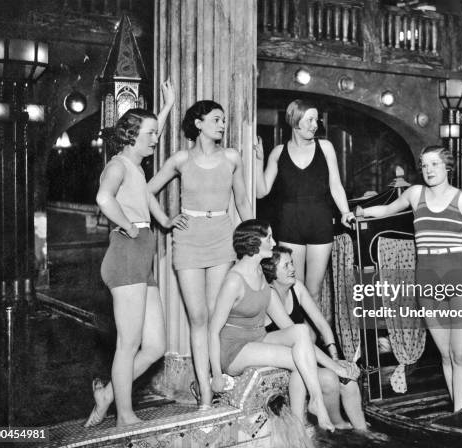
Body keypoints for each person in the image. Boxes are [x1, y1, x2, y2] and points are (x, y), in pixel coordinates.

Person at [356, 145, 462, 412]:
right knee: (446, 354)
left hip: (459, 273)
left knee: (460, 354)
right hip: (427, 277)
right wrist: (360, 212)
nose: (429, 170)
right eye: (424, 165)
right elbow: (386, 211)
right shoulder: (414, 194)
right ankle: (457, 411)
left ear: (447, 167)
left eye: (434, 164)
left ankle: (460, 413)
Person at [85, 81, 186, 427]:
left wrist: (165, 221)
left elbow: (146, 197)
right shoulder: (117, 166)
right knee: (127, 344)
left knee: (155, 346)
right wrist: (128, 224)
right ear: (131, 137)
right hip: (126, 255)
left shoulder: (137, 168)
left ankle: (108, 395)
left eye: (156, 133)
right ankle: (124, 416)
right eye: (150, 134)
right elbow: (103, 199)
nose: (155, 139)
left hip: (142, 258)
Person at [148, 100, 254, 408]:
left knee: (214, 317)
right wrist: (166, 221)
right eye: (216, 119)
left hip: (222, 237)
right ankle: (205, 396)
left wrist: (254, 243)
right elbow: (147, 190)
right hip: (189, 239)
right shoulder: (181, 159)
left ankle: (213, 380)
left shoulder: (232, 157)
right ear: (199, 123)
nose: (222, 124)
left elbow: (244, 203)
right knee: (198, 317)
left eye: (223, 120)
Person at [209, 219, 354, 431]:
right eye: (269, 238)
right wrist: (216, 375)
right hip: (233, 349)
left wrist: (335, 367)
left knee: (301, 331)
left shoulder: (261, 275)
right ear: (254, 243)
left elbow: (292, 331)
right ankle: (306, 418)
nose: (274, 241)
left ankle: (308, 414)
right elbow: (213, 331)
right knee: (299, 362)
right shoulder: (234, 280)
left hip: (257, 338)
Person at [255, 99, 353, 305]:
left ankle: (312, 337)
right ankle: (297, 336)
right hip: (290, 224)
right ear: (294, 120)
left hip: (320, 223)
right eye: (309, 120)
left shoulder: (325, 147)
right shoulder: (278, 152)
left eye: (316, 120)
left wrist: (345, 212)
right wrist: (258, 160)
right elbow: (261, 191)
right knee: (294, 289)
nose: (315, 125)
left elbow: (335, 184)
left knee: (313, 291)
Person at [262, 246, 367, 430]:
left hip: (305, 355)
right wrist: (335, 367)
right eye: (286, 266)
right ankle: (337, 425)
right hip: (284, 360)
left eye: (292, 263)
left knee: (348, 380)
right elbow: (298, 337)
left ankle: (362, 432)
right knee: (329, 378)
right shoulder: (270, 295)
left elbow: (321, 324)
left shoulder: (296, 287)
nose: (292, 269)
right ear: (272, 272)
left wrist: (336, 359)